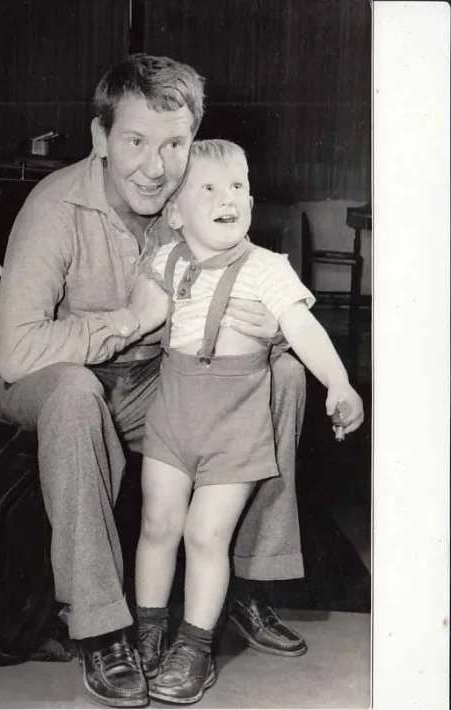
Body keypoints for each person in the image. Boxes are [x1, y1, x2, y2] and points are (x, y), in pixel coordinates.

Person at [0, 53, 364, 707]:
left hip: (158, 381)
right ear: (101, 138)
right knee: (75, 392)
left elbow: (236, 305)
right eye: (134, 141)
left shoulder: (196, 198)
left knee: (283, 375)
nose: (156, 167)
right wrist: (129, 320)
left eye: (175, 144)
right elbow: (15, 353)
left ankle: (244, 582)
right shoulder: (52, 208)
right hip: (53, 379)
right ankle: (99, 627)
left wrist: (258, 327)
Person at [133, 139, 364, 704]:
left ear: (251, 200)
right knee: (158, 526)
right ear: (174, 212)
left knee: (204, 534)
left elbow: (305, 331)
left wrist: (338, 382)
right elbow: (140, 317)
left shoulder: (267, 269)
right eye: (207, 188)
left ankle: (194, 645)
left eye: (236, 186)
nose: (226, 197)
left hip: (235, 421)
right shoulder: (164, 260)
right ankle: (149, 632)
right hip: (173, 413)